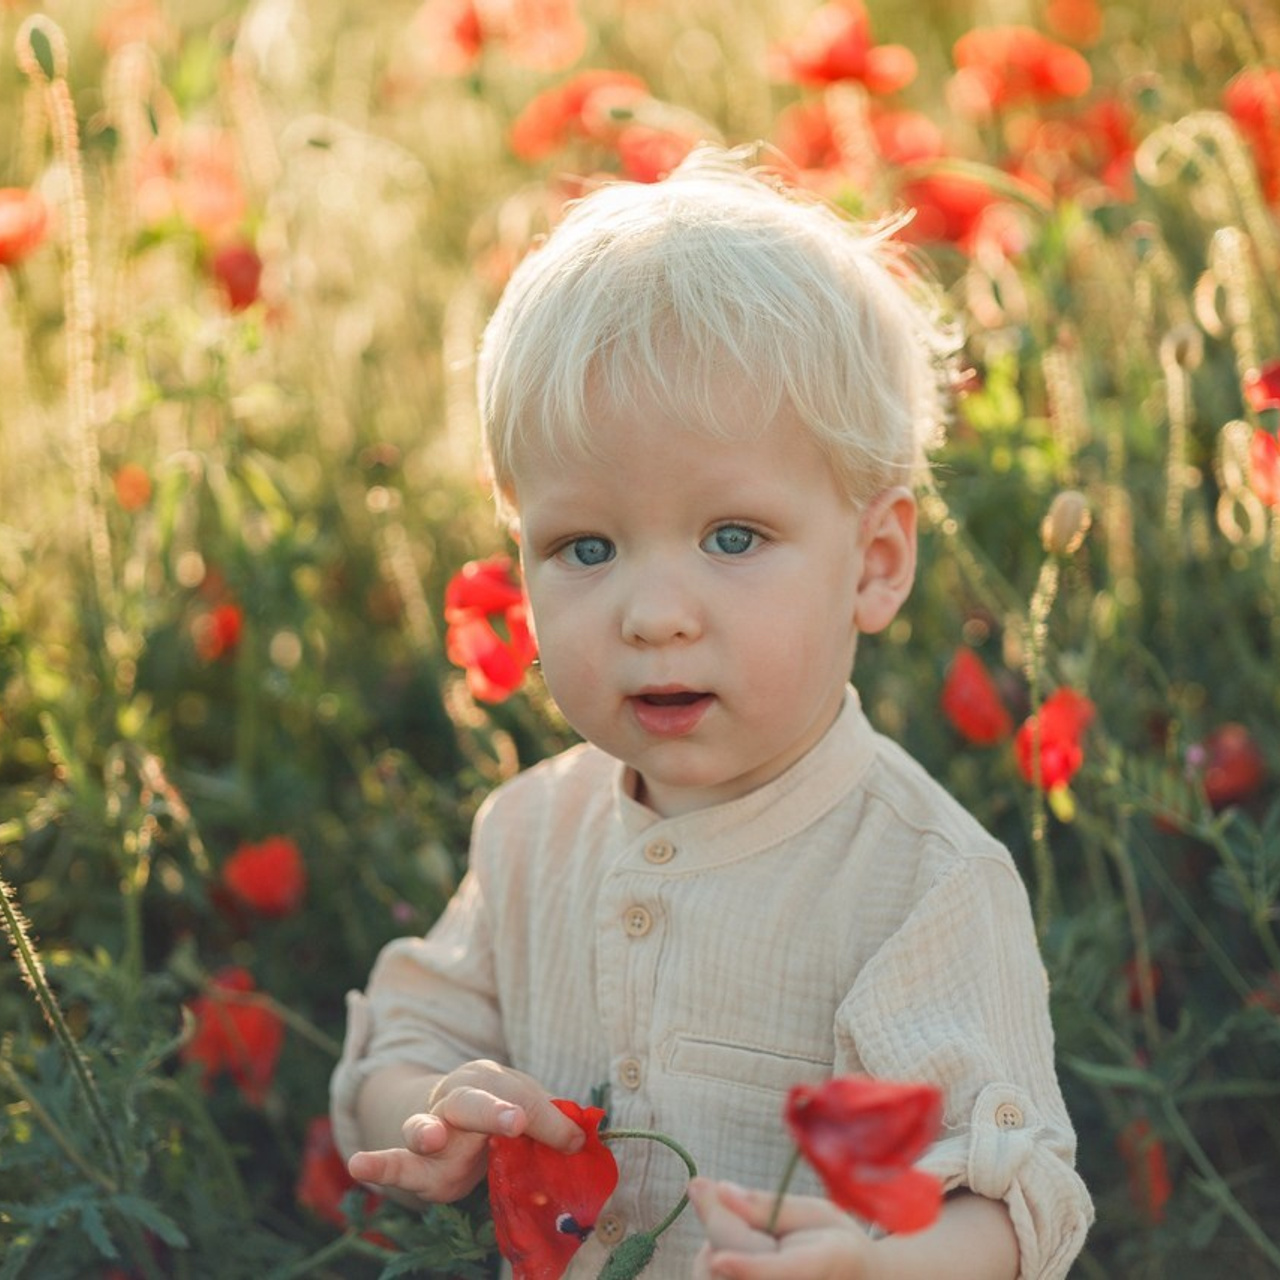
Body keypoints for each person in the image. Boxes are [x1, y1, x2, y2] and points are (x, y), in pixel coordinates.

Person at [330, 144, 1093, 1278]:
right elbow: (406, 1034)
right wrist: (435, 1108)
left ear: (874, 562)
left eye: (732, 537)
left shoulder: (918, 885)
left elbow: (1011, 1196)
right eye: (585, 547)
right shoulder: (530, 831)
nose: (653, 615)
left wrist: (875, 1266)